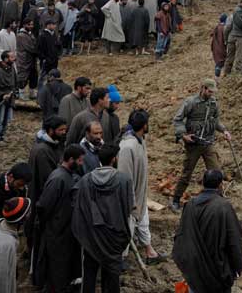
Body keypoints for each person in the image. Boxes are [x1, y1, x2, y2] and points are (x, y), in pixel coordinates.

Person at [171, 169, 242, 293]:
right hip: (217, 271)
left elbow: (181, 235)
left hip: (194, 271)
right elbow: (234, 241)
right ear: (220, 185)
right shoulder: (224, 207)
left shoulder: (190, 205)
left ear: (203, 183)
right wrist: (238, 266)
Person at [72, 143, 132, 293]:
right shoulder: (124, 180)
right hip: (114, 238)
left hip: (92, 238)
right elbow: (128, 208)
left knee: (89, 275)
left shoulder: (86, 180)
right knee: (112, 277)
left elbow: (80, 208)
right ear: (113, 159)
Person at [171, 78, 231, 211]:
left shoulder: (213, 103)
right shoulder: (190, 102)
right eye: (209, 91)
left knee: (216, 172)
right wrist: (183, 135)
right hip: (194, 143)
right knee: (187, 173)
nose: (211, 94)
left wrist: (224, 131)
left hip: (208, 143)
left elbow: (215, 121)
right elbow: (178, 119)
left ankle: (219, 199)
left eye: (213, 92)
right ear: (203, 88)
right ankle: (176, 199)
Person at [34, 144, 84, 293]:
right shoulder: (58, 178)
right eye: (80, 161)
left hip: (64, 233)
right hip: (56, 234)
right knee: (56, 273)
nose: (81, 164)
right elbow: (44, 206)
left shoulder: (68, 176)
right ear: (70, 159)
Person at [118, 110, 164, 264]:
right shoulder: (127, 147)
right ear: (144, 125)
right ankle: (121, 259)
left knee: (144, 223)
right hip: (131, 199)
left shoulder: (140, 141)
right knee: (127, 229)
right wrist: (130, 202)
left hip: (140, 194)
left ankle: (150, 252)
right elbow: (124, 177)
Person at [0, 50, 19, 144]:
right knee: (0, 117)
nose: (14, 59)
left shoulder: (12, 69)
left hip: (10, 97)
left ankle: (2, 134)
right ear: (6, 59)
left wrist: (13, 92)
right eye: (11, 57)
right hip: (1, 99)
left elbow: (15, 82)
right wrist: (2, 95)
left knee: (6, 118)